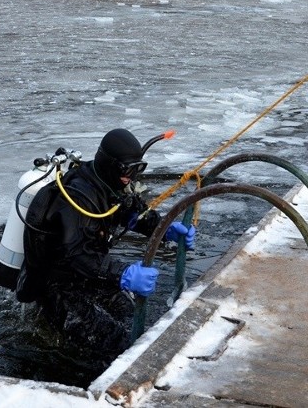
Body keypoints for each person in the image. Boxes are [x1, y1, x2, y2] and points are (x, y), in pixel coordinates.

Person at [15, 128, 196, 353]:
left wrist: (164, 229)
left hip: (89, 277)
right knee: (114, 345)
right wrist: (122, 274)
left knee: (135, 321)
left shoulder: (110, 184)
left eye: (137, 168)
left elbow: (132, 212)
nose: (131, 176)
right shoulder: (77, 197)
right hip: (57, 286)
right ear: (110, 165)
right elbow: (75, 254)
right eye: (127, 169)